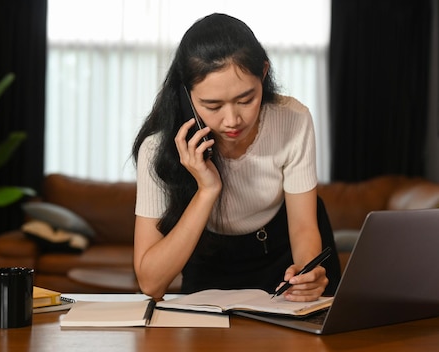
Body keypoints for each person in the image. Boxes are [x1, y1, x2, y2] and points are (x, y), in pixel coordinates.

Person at [132, 13, 340, 302]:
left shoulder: (293, 119)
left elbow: (304, 225)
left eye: (246, 100)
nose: (232, 120)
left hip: (283, 258)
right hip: (211, 260)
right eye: (212, 105)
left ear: (264, 73)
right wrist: (207, 190)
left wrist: (308, 273)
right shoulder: (157, 149)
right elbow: (151, 284)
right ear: (186, 93)